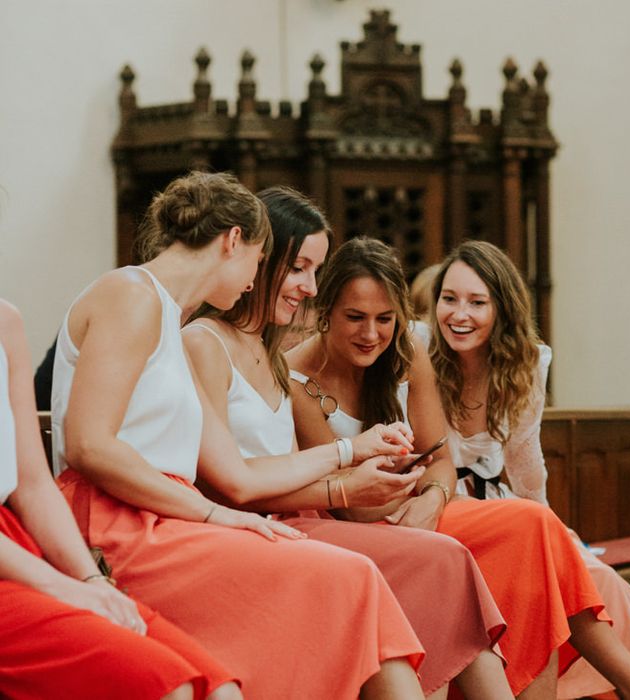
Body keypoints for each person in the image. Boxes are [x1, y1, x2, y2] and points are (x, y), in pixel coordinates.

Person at [50, 172, 426, 700]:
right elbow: (89, 444)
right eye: (259, 260)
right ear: (232, 241)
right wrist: (213, 514)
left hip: (160, 516)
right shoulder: (132, 293)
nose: (255, 279)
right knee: (346, 576)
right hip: (115, 526)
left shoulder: (165, 316)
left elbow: (238, 472)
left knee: (352, 582)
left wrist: (347, 450)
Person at [287, 236, 630, 700]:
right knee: (530, 535)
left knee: (539, 531)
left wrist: (430, 501)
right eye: (356, 318)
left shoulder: (405, 351)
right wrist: (405, 496)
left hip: (423, 506)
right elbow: (347, 501)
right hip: (356, 519)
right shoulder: (298, 377)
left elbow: (440, 459)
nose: (371, 334)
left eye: (384, 319)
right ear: (326, 309)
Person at [182, 185, 511, 700]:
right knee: (429, 560)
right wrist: (346, 478)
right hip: (253, 526)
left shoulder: (265, 351)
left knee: (444, 556)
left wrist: (391, 484)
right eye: (299, 268)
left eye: (315, 270)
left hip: (294, 515)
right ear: (257, 259)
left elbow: (427, 459)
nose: (308, 287)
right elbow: (231, 483)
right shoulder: (207, 342)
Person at [427, 239, 630, 700]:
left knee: (604, 582)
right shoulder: (419, 350)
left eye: (476, 302)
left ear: (502, 309)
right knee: (546, 567)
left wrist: (558, 530)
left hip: (500, 505)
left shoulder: (525, 363)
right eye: (449, 299)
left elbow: (526, 463)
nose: (459, 314)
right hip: (441, 502)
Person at [0, 299, 238, 700]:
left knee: (218, 688)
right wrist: (63, 588)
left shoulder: (5, 321)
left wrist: (91, 581)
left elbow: (33, 483)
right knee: (166, 686)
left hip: (18, 542)